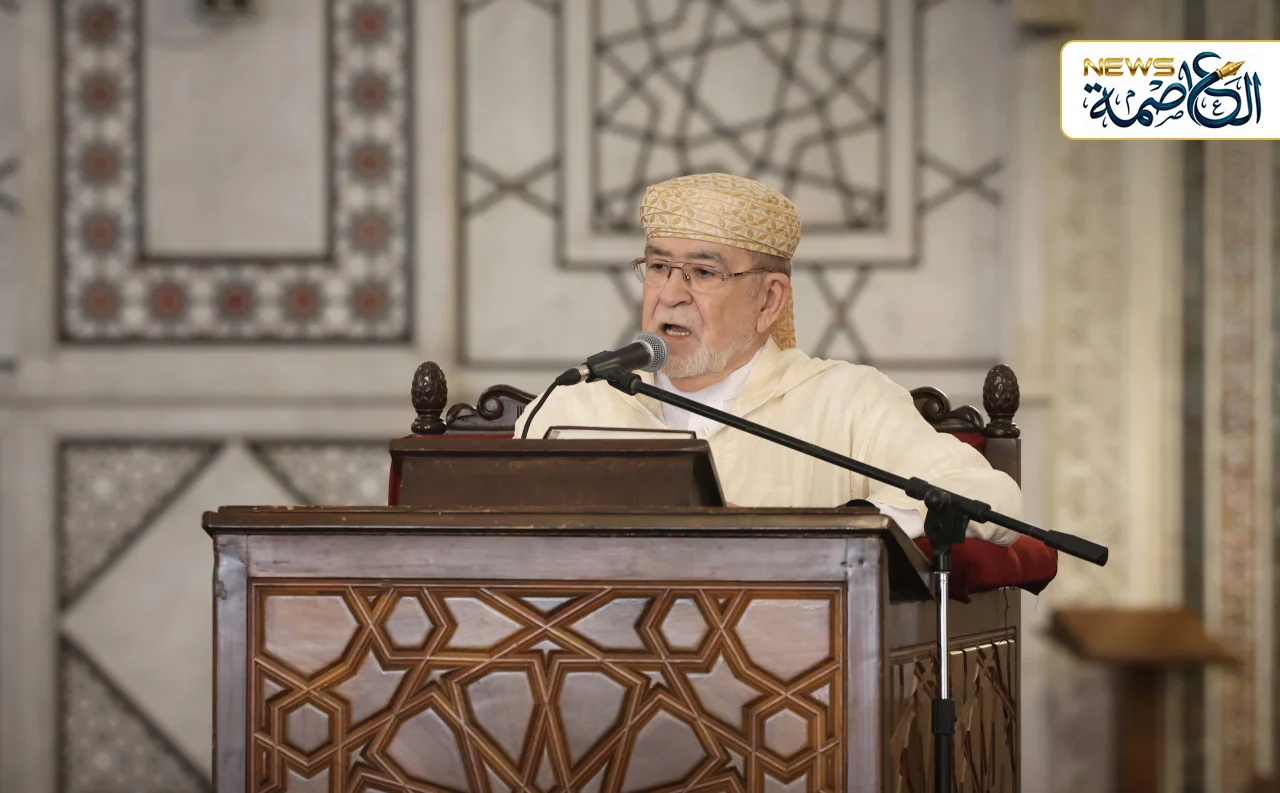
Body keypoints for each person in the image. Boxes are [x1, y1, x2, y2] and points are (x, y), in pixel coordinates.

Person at [514, 173, 1020, 545]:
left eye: (702, 273)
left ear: (770, 300)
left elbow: (992, 499)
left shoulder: (847, 403)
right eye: (658, 266)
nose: (669, 294)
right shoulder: (574, 406)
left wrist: (842, 527)